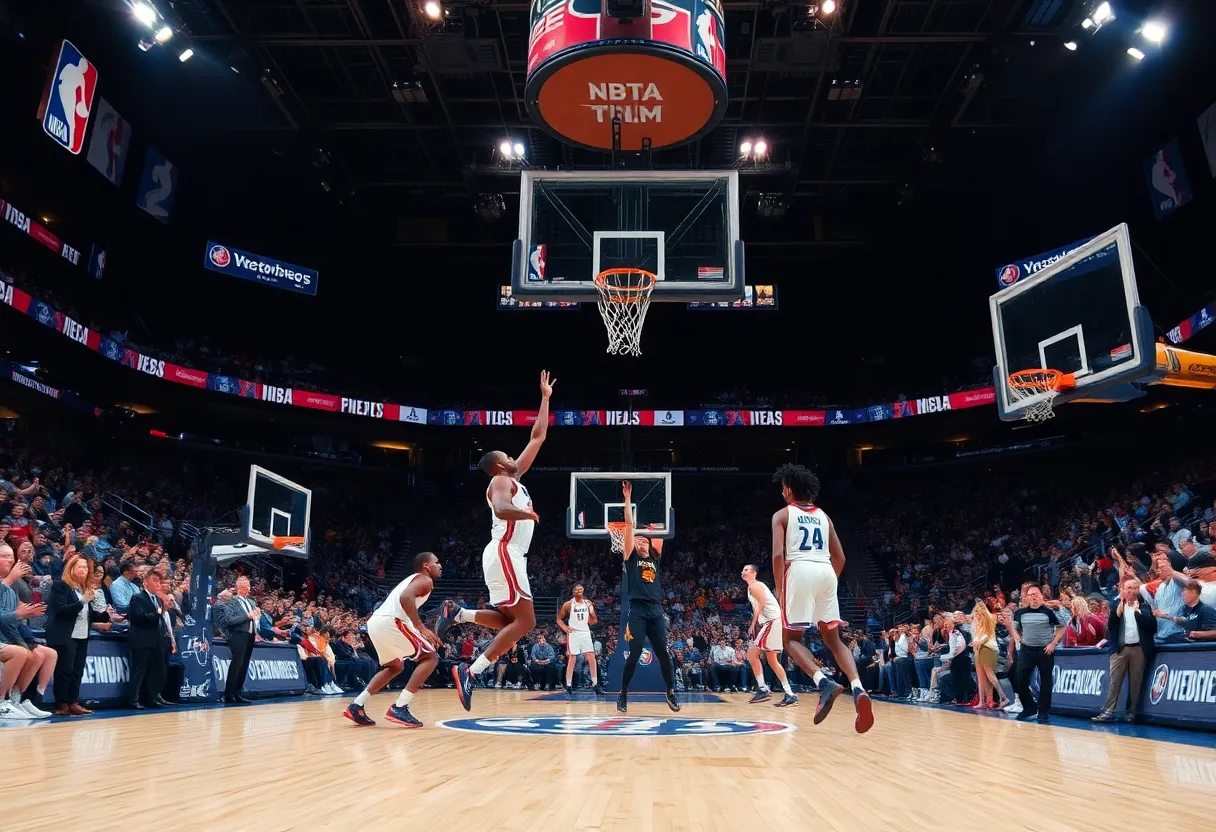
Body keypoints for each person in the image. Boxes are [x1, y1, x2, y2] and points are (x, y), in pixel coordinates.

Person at [436, 370, 554, 711]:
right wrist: (527, 515)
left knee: (508, 622)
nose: (516, 457)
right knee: (527, 622)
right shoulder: (502, 482)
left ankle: (458, 614)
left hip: (506, 554)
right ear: (501, 464)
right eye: (509, 455)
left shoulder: (515, 478)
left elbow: (538, 437)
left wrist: (545, 398)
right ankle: (471, 672)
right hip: (506, 551)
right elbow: (502, 510)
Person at [771, 464, 873, 733]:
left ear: (790, 489)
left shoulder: (782, 515)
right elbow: (841, 557)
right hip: (827, 571)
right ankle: (858, 688)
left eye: (783, 486)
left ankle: (822, 681)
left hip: (800, 570)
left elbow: (778, 556)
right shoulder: (824, 516)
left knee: (790, 639)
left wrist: (781, 590)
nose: (781, 491)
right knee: (833, 639)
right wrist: (828, 585)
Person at [344, 552, 443, 728]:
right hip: (392, 621)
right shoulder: (425, 579)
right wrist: (419, 625)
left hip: (376, 622)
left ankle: (356, 706)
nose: (440, 565)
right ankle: (400, 707)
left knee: (395, 666)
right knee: (430, 658)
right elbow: (406, 598)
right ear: (426, 566)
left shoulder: (412, 579)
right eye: (436, 562)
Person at [615, 480, 679, 714]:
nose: (641, 541)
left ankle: (670, 691)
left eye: (645, 540)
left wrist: (661, 497)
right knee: (634, 652)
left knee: (663, 652)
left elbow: (661, 530)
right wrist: (628, 500)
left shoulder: (655, 559)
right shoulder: (631, 558)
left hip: (655, 610)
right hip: (638, 610)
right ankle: (623, 694)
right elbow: (630, 527)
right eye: (638, 540)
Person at [1092, 577, 1158, 723]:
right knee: (1114, 681)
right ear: (1123, 590)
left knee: (1136, 683)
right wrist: (1117, 612)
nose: (1131, 590)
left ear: (1138, 590)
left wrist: (1137, 613)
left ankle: (1131, 712)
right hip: (1120, 649)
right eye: (1128, 588)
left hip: (1139, 649)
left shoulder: (1145, 606)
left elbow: (1152, 627)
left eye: (1134, 587)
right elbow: (1110, 628)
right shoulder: (1117, 606)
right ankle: (1108, 711)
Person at [0, 544, 53, 718]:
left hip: (7, 635)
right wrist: (18, 613)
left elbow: (8, 619)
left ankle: (16, 700)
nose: (11, 560)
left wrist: (24, 613)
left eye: (11, 556)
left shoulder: (10, 587)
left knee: (34, 654)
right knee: (20, 653)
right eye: (5, 556)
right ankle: (2, 702)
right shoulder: (8, 584)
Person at [45, 554, 101, 716]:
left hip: (82, 633)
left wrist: (104, 616)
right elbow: (62, 611)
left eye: (85, 568)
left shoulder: (84, 589)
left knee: (77, 670)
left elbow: (85, 613)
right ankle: (61, 704)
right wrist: (83, 601)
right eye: (80, 567)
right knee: (64, 670)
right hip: (64, 634)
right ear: (71, 569)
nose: (84, 570)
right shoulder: (60, 586)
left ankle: (73, 701)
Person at [741, 563, 797, 706]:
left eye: (746, 570)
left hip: (772, 621)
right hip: (773, 621)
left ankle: (762, 688)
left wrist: (753, 623)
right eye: (743, 570)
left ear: (754, 573)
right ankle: (789, 693)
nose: (743, 572)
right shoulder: (754, 586)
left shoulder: (754, 586)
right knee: (772, 661)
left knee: (751, 654)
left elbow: (763, 603)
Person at [1011, 585, 1065, 723]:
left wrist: (1053, 643)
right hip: (1026, 650)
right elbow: (1014, 627)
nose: (1033, 597)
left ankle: (1043, 710)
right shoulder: (1020, 612)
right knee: (1020, 680)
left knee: (1046, 681)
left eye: (1036, 594)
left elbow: (1062, 627)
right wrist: (1017, 637)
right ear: (1027, 598)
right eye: (1030, 595)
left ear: (1041, 596)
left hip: (1044, 650)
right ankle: (1029, 707)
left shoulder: (1049, 612)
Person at [128, 570, 173, 710]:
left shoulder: (158, 600)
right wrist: (159, 612)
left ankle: (151, 697)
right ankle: (133, 699)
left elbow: (160, 621)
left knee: (154, 671)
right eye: (154, 580)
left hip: (156, 640)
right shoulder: (137, 598)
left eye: (159, 581)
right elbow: (140, 618)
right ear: (145, 582)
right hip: (141, 640)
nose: (158, 584)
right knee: (139, 670)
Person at [213, 576, 262, 704]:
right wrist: (248, 616)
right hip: (238, 635)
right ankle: (229, 694)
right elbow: (230, 620)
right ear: (239, 587)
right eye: (245, 584)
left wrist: (256, 624)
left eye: (248, 584)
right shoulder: (231, 601)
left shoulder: (251, 602)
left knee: (244, 665)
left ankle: (238, 692)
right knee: (236, 665)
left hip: (250, 635)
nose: (247, 587)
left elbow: (254, 619)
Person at [557, 584, 604, 696]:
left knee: (591, 657)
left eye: (581, 588)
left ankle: (595, 685)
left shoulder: (588, 603)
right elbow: (559, 619)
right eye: (577, 588)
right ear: (573, 591)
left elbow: (594, 621)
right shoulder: (568, 604)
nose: (579, 590)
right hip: (573, 633)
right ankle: (568, 686)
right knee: (572, 658)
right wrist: (565, 628)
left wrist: (592, 613)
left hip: (585, 632)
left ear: (583, 590)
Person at [970, 601, 1007, 709]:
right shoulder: (979, 622)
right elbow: (979, 635)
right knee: (981, 677)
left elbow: (987, 634)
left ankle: (1003, 697)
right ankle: (982, 701)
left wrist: (979, 642)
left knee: (989, 675)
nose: (976, 614)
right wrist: (976, 642)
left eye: (978, 612)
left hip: (988, 648)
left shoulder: (989, 619)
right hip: (979, 649)